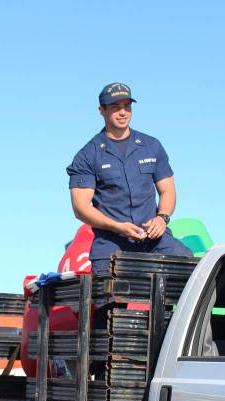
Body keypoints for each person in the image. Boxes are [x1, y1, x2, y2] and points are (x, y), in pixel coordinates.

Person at [67, 82, 192, 274]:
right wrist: (117, 227)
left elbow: (167, 189)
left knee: (190, 265)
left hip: (154, 239)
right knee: (108, 296)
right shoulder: (87, 155)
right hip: (112, 242)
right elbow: (81, 208)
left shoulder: (152, 146)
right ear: (101, 110)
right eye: (115, 107)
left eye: (127, 106)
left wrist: (162, 218)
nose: (123, 112)